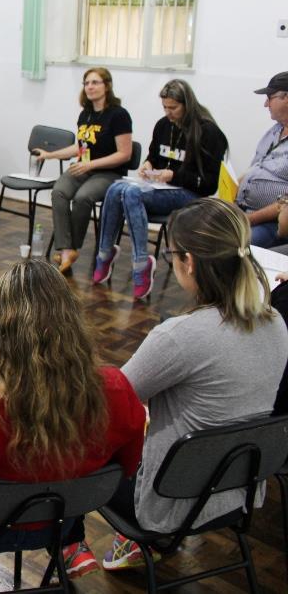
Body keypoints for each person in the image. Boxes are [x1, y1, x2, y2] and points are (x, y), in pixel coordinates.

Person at [0, 259, 145, 580]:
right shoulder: (117, 389)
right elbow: (129, 466)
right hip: (60, 523)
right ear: (72, 320)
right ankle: (71, 547)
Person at [101, 198, 288, 571]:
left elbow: (111, 402)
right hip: (239, 491)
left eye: (172, 254)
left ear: (189, 262)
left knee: (77, 442)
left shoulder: (178, 336)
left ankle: (83, 546)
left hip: (172, 501)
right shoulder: (276, 323)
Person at [93, 79, 228, 300]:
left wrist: (174, 175)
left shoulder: (208, 132)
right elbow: (154, 156)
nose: (168, 112)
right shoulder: (163, 125)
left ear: (187, 104)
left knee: (131, 192)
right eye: (165, 107)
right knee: (116, 188)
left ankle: (141, 263)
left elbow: (209, 184)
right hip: (160, 188)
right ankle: (105, 254)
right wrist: (147, 165)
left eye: (173, 107)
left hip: (190, 194)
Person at [34, 67, 133, 274]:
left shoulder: (119, 115)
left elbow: (124, 154)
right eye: (87, 83)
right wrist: (49, 155)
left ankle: (73, 247)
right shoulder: (85, 114)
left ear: (107, 86)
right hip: (84, 167)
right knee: (59, 192)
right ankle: (66, 248)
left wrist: (91, 164)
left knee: (83, 197)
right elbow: (80, 147)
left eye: (95, 82)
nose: (90, 87)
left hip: (109, 172)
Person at [235, 71, 288, 248]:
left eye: (269, 97)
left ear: (286, 97)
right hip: (245, 211)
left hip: (274, 222)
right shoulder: (274, 130)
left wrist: (250, 219)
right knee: (199, 228)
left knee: (232, 245)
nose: (266, 104)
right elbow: (255, 168)